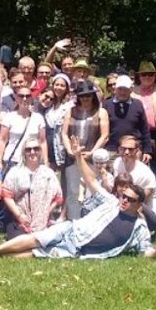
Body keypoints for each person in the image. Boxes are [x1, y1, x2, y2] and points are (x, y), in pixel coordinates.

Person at [0, 138, 156, 260]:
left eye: (129, 199)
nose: (124, 200)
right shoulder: (111, 201)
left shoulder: (139, 227)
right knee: (37, 239)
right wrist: (79, 156)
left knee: (38, 253)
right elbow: (90, 180)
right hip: (71, 229)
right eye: (123, 196)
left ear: (139, 205)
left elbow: (145, 250)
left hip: (79, 249)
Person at [61, 80, 109, 219]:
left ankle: (93, 220)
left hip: (91, 158)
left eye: (88, 95)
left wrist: (93, 152)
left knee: (92, 189)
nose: (85, 98)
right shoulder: (70, 111)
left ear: (93, 95)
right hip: (73, 157)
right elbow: (64, 133)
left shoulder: (101, 112)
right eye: (82, 96)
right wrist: (70, 150)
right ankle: (74, 220)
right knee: (73, 189)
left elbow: (105, 135)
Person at [2, 139, 62, 240]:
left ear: (41, 151)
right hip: (20, 222)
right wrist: (19, 215)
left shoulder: (48, 173)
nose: (32, 152)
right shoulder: (15, 172)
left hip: (44, 222)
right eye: (28, 149)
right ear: (23, 152)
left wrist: (46, 212)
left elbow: (58, 197)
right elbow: (7, 195)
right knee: (21, 241)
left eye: (36, 149)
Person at [0, 85, 47, 174]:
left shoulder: (38, 118)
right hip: (13, 160)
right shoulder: (9, 117)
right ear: (16, 98)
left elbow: (42, 141)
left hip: (32, 161)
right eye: (21, 96)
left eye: (27, 96)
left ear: (31, 99)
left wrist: (45, 161)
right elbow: (2, 140)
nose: (24, 99)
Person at [134, 61, 156, 184]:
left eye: (150, 74)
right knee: (137, 168)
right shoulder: (132, 91)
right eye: (144, 75)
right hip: (138, 134)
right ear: (139, 76)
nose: (147, 77)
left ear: (155, 76)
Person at [104, 75, 152, 160]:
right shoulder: (106, 104)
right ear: (115, 89)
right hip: (112, 150)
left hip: (133, 150)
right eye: (120, 89)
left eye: (125, 89)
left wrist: (147, 151)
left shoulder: (137, 104)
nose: (122, 92)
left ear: (131, 89)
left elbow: (144, 129)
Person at [112, 135, 156, 217]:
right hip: (126, 206)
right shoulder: (117, 163)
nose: (126, 152)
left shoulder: (144, 173)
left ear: (137, 151)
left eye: (130, 149)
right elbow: (117, 190)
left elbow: (140, 201)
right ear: (119, 149)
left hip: (147, 213)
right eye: (123, 148)